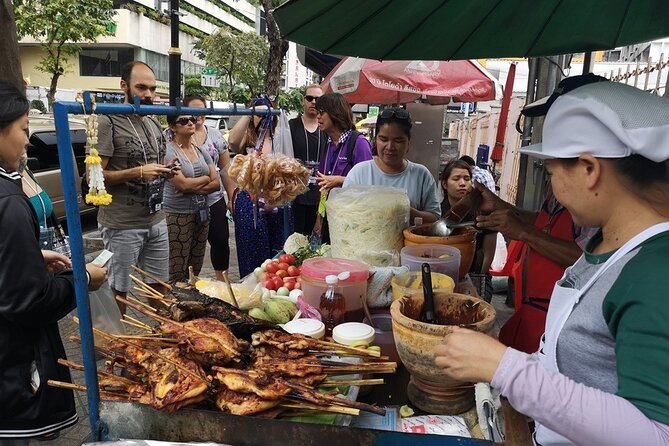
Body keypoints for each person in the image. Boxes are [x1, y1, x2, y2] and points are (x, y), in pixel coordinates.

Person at [434, 80, 669, 446]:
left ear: (589, 169)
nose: (553, 186)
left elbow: (655, 435)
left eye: (552, 172)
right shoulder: (605, 241)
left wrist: (507, 368)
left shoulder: (655, 274)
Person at [0, 80, 107, 443]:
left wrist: (29, 254)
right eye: (23, 130)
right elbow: (26, 302)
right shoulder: (9, 202)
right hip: (9, 370)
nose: (27, 141)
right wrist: (80, 280)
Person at [95, 61, 176, 312]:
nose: (148, 94)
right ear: (124, 86)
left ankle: (165, 340)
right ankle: (117, 344)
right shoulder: (107, 120)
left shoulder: (152, 123)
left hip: (156, 219)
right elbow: (94, 176)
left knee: (159, 286)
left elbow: (154, 163)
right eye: (141, 87)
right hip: (122, 223)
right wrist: (139, 172)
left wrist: (166, 169)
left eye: (152, 88)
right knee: (120, 291)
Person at [343, 107, 440, 223]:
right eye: (383, 139)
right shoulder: (359, 173)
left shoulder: (421, 175)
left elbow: (435, 219)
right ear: (375, 141)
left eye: (398, 140)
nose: (390, 147)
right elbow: (344, 214)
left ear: (408, 143)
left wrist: (404, 211)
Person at [227, 97, 288, 277]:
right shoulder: (247, 140)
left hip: (276, 202)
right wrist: (250, 113)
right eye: (258, 114)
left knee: (277, 254)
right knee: (251, 254)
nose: (262, 117)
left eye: (266, 111)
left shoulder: (280, 139)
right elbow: (232, 141)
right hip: (249, 202)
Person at [183, 94, 235, 281]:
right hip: (186, 201)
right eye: (193, 111)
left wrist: (231, 196)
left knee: (220, 241)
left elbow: (226, 168)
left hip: (214, 199)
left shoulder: (215, 135)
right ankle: (188, 284)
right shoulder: (174, 135)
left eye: (202, 110)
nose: (198, 115)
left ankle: (223, 283)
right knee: (187, 245)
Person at [163, 112, 219, 282]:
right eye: (184, 121)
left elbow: (216, 184)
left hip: (201, 214)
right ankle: (175, 302)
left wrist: (193, 185)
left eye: (193, 120)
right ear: (173, 127)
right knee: (177, 267)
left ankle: (192, 300)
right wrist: (205, 179)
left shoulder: (200, 150)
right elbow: (181, 185)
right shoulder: (169, 152)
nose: (190, 123)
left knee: (195, 266)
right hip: (178, 215)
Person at [314, 93, 373, 242]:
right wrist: (319, 217)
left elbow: (370, 185)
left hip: (351, 221)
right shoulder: (327, 144)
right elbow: (324, 187)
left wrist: (340, 180)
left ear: (335, 113)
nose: (318, 117)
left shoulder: (359, 143)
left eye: (322, 112)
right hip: (330, 216)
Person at [440, 159, 496, 280]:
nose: (462, 183)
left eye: (466, 179)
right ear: (445, 184)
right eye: (456, 179)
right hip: (441, 274)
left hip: (475, 275)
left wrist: (478, 278)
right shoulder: (438, 213)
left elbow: (488, 254)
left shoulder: (483, 215)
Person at [289, 85, 328, 236]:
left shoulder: (327, 129)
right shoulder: (291, 126)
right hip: (294, 198)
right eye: (309, 98)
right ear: (303, 100)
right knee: (294, 243)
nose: (313, 102)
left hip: (319, 198)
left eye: (317, 99)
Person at [18, 149, 70, 257]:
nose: (23, 152)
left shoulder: (25, 170)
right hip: (27, 259)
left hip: (49, 254)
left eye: (25, 146)